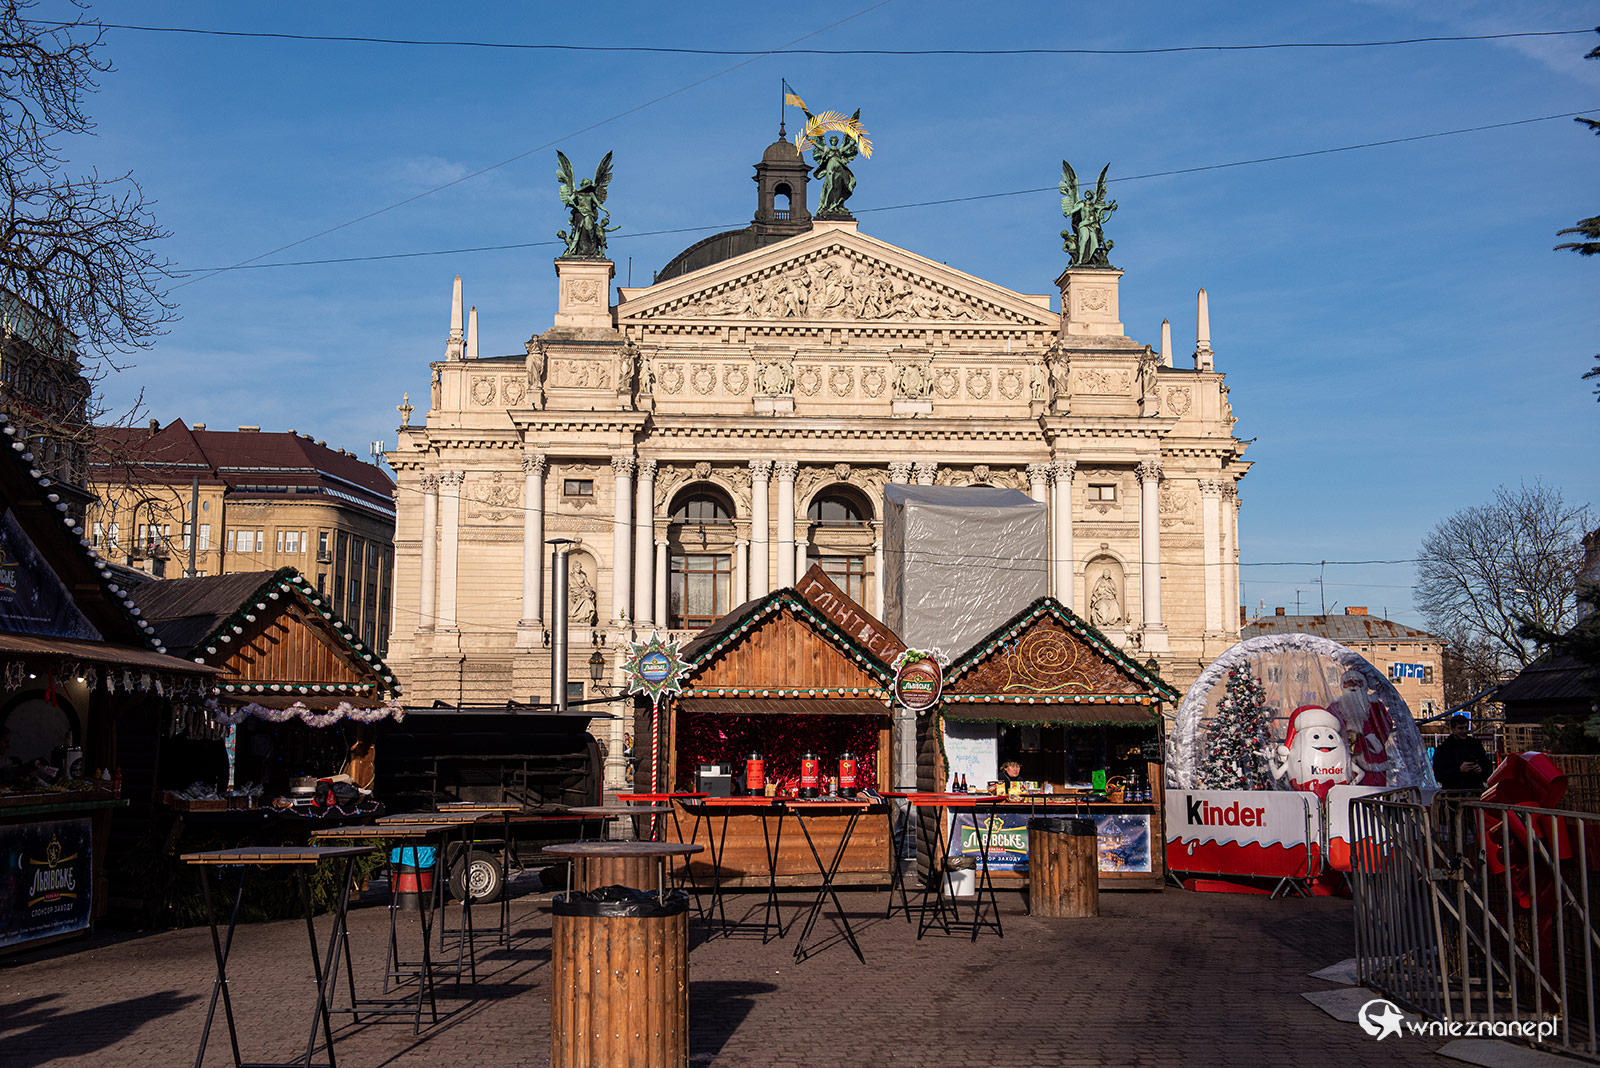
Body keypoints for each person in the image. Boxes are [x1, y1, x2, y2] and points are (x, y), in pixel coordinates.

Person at [1432, 715, 1492, 792]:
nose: (1464, 731)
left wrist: (1481, 770)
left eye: (1466, 728)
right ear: (1452, 729)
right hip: (1453, 793)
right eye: (1460, 728)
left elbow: (1488, 768)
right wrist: (1458, 770)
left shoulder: (1475, 745)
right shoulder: (1444, 749)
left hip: (1475, 791)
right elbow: (1439, 775)